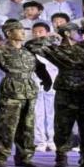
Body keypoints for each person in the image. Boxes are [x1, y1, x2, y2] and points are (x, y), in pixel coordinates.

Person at [26, 16, 84, 167]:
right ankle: (61, 155)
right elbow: (30, 45)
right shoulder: (56, 50)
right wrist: (52, 37)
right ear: (67, 33)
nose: (80, 33)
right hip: (66, 90)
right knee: (63, 126)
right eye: (77, 32)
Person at [0, 19, 47, 167]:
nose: (23, 33)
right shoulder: (0, 50)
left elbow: (40, 67)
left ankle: (24, 157)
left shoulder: (28, 51)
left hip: (29, 91)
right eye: (19, 30)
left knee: (27, 126)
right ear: (9, 33)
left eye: (23, 30)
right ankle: (0, 157)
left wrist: (46, 80)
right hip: (11, 91)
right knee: (6, 126)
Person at [29, 22, 58, 152]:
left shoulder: (54, 48)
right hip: (35, 83)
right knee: (37, 113)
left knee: (52, 113)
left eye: (40, 31)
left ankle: (52, 140)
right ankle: (40, 141)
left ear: (47, 32)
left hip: (53, 84)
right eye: (35, 32)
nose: (37, 34)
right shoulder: (28, 48)